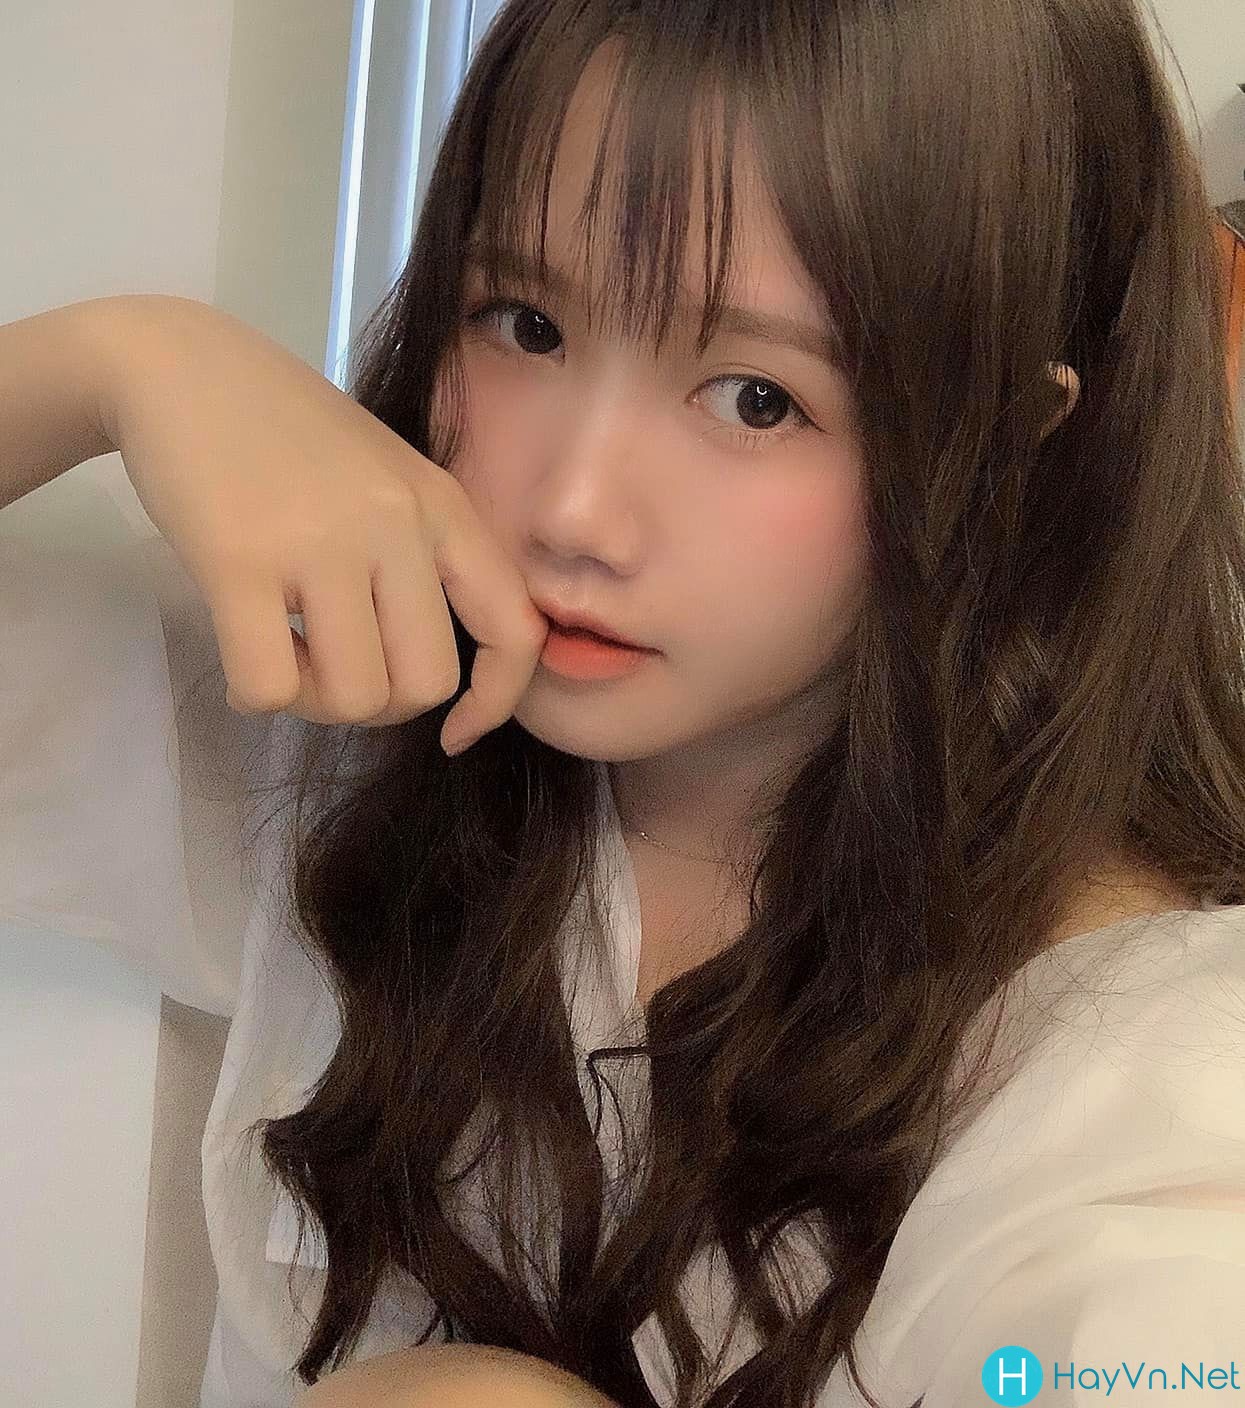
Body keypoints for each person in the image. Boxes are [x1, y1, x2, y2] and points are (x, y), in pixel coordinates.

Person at [2, 0, 1244, 1405]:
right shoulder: (339, 732)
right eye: (525, 324)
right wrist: (107, 362)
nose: (574, 510)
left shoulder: (1142, 1104)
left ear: (1010, 450)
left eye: (756, 399)